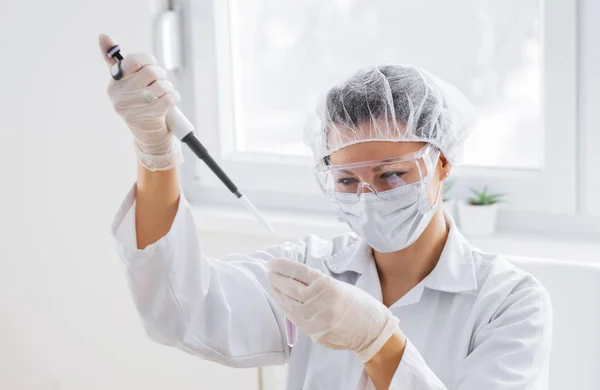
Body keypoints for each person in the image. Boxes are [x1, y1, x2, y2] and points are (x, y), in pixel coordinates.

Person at [99, 34, 552, 390]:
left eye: (392, 175)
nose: (369, 195)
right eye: (347, 181)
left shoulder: (509, 303)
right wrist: (155, 152)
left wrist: (379, 342)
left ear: (443, 163)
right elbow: (182, 311)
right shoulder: (312, 272)